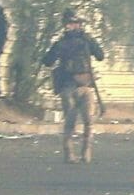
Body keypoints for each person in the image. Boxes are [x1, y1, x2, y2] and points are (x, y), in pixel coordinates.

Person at [43, 15, 106, 164]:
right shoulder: (61, 43)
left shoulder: (86, 41)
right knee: (70, 122)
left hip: (85, 86)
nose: (73, 26)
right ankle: (69, 153)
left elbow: (100, 56)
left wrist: (90, 42)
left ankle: (86, 151)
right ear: (66, 25)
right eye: (70, 24)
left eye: (76, 24)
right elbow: (47, 61)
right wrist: (57, 51)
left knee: (88, 121)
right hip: (68, 86)